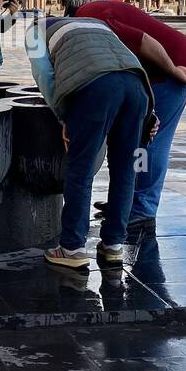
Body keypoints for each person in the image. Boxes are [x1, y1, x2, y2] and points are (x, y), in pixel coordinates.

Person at [28, 16, 157, 271]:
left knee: (80, 170)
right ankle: (114, 245)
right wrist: (150, 115)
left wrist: (64, 114)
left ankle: (72, 248)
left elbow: (44, 75)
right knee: (124, 171)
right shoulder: (97, 24)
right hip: (137, 86)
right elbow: (121, 61)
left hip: (95, 88)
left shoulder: (34, 32)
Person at [75, 0, 186, 237]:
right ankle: (127, 201)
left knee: (150, 138)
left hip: (174, 66)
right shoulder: (87, 18)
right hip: (155, 66)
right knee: (134, 138)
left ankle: (143, 208)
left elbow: (142, 41)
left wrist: (173, 69)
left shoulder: (89, 21)